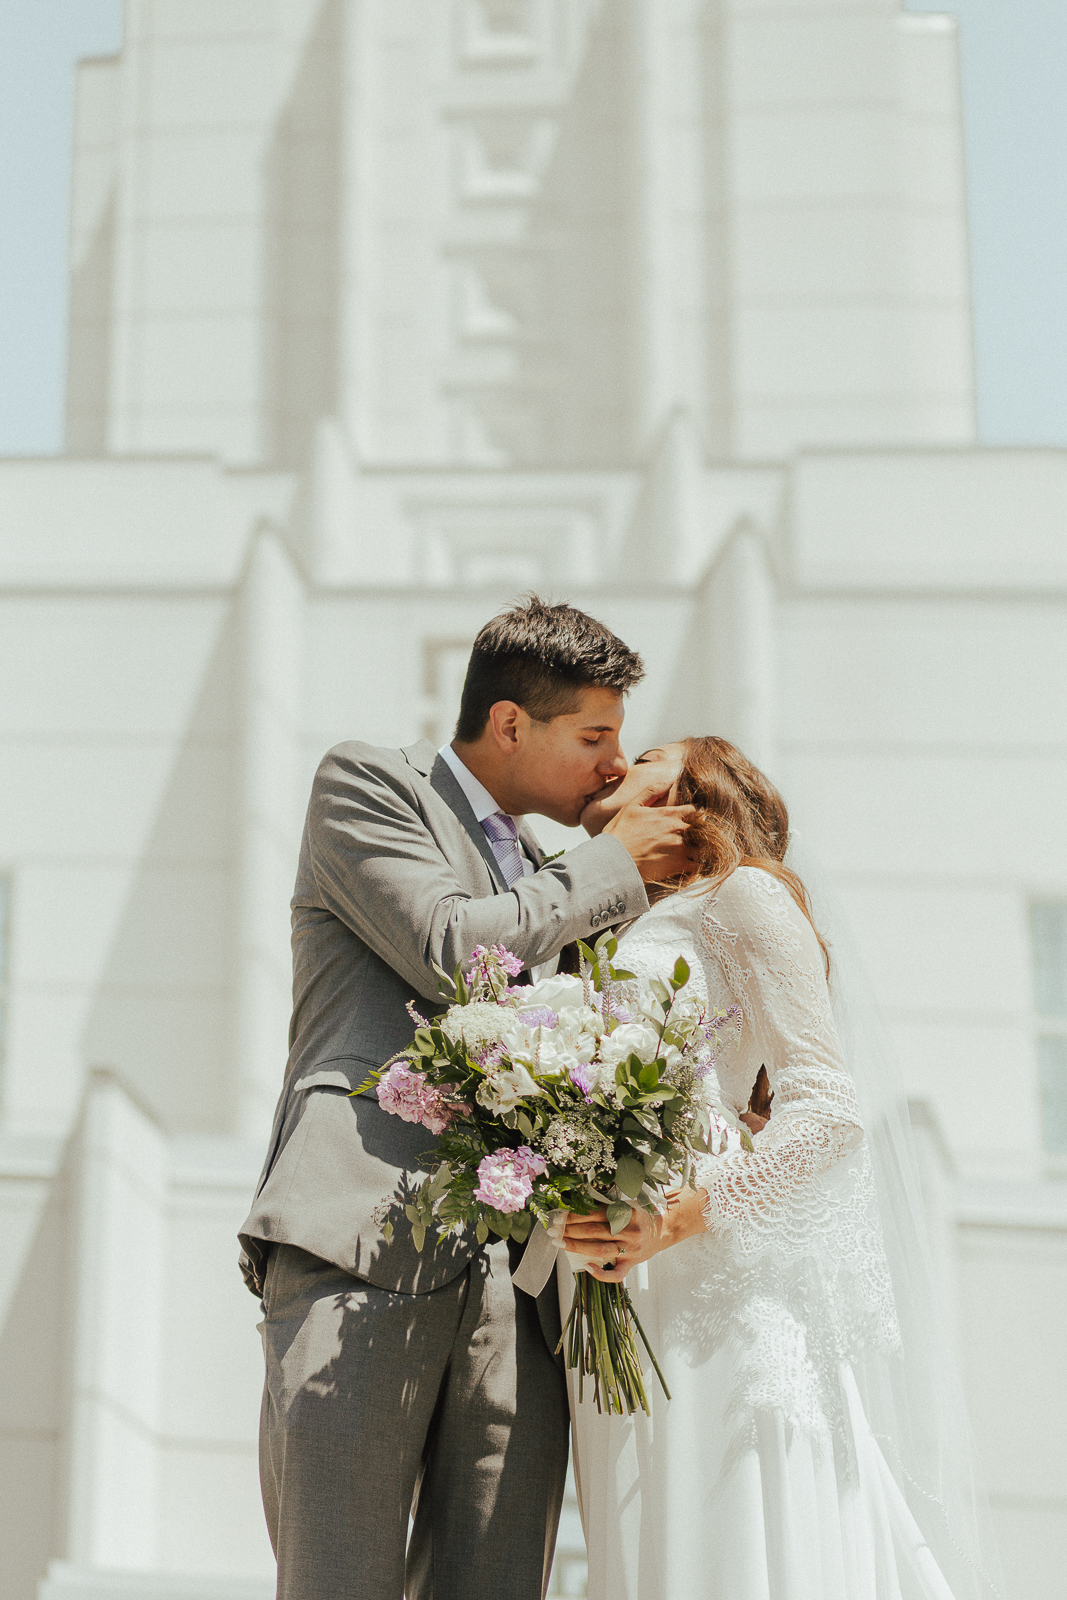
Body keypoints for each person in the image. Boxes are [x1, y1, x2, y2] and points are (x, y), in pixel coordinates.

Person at [238, 596, 695, 1600]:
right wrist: (614, 866)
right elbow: (451, 946)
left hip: (522, 1286)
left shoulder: (555, 874)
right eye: (593, 735)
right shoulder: (367, 783)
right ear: (507, 724)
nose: (612, 764)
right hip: (360, 1239)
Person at [564, 737, 1002, 1600]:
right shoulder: (599, 924)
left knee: (727, 1521)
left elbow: (827, 1107)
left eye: (646, 753)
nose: (616, 762)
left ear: (696, 798)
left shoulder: (741, 895)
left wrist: (683, 1215)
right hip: (618, 1277)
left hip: (711, 1264)